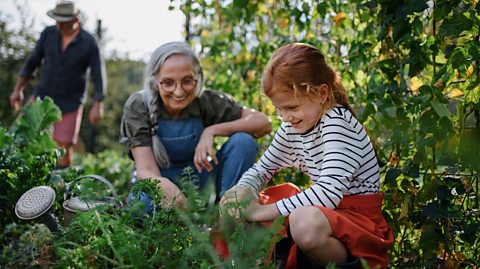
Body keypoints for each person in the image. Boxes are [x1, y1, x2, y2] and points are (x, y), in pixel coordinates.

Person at [220, 43, 393, 269]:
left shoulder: (337, 123)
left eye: (291, 107)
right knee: (232, 200)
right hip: (326, 214)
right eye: (279, 109)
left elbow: (329, 193)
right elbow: (262, 169)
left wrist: (259, 211)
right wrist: (244, 189)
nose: (285, 117)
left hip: (356, 222)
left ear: (321, 93)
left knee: (303, 222)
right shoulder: (294, 126)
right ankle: (257, 262)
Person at [120, 41, 272, 210]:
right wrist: (170, 192)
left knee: (243, 141)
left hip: (202, 182)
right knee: (145, 205)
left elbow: (263, 123)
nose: (178, 92)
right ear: (155, 82)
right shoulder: (139, 105)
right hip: (158, 182)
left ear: (197, 77)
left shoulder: (206, 101)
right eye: (168, 83)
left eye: (187, 81)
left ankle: (229, 212)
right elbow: (146, 169)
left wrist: (212, 131)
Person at [9, 1, 106, 168]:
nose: (59, 24)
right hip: (43, 96)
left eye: (64, 21)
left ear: (75, 19)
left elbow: (98, 74)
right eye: (57, 20)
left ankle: (60, 186)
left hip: (70, 102)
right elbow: (32, 62)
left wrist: (98, 104)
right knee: (20, 135)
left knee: (63, 148)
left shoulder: (89, 42)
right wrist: (18, 89)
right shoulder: (49, 34)